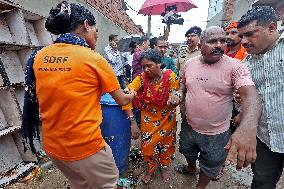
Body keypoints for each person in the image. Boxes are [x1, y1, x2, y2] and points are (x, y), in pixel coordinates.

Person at [21, 2, 136, 188]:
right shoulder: (94, 59)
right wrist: (132, 92)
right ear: (85, 25)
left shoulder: (39, 56)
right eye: (95, 30)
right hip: (85, 147)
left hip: (52, 145)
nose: (97, 36)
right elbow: (122, 100)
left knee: (80, 183)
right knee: (109, 182)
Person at [177, 26, 262, 189]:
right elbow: (183, 84)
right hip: (189, 125)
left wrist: (248, 127)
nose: (219, 45)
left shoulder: (236, 66)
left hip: (217, 133)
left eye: (222, 41)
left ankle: (199, 187)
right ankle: (191, 168)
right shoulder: (189, 64)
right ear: (201, 45)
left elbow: (250, 95)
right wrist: (179, 94)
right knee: (187, 151)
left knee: (211, 164)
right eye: (212, 41)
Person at [237, 6, 284, 189]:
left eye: (250, 34)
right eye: (242, 36)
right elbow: (245, 101)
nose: (244, 42)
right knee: (262, 182)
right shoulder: (245, 65)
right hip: (265, 138)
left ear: (271, 28)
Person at [126, 49, 180, 183]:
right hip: (148, 120)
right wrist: (132, 121)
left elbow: (176, 92)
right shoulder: (141, 78)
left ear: (159, 63)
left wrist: (175, 98)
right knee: (148, 147)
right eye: (143, 66)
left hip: (167, 119)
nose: (145, 70)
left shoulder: (170, 76)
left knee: (166, 145)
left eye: (149, 66)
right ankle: (150, 168)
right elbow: (127, 94)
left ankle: (164, 167)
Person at [104, 34, 140, 140]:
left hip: (120, 75)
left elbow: (121, 63)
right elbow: (113, 61)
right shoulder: (107, 50)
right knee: (115, 95)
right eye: (115, 41)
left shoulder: (117, 50)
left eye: (117, 41)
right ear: (110, 41)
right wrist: (116, 52)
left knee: (123, 92)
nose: (117, 43)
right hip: (113, 75)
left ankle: (122, 111)